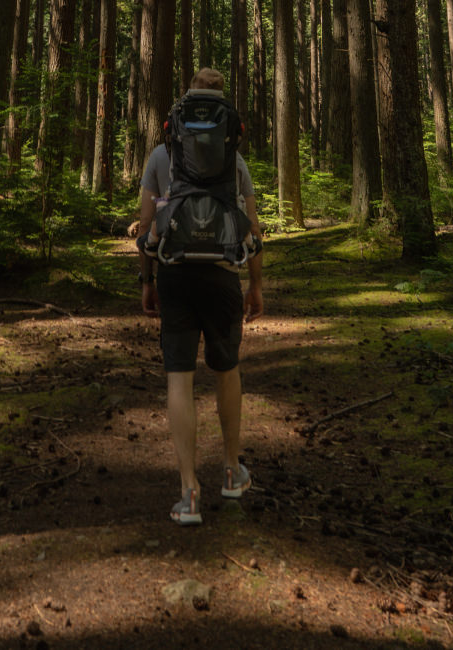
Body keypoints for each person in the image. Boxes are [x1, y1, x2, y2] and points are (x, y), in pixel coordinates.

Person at [137, 68, 264, 525]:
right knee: (227, 371)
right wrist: (256, 285)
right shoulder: (235, 163)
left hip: (174, 271)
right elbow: (253, 227)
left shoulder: (160, 156)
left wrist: (146, 280)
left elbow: (146, 222)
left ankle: (189, 492)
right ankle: (231, 472)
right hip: (222, 274)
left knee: (179, 378)